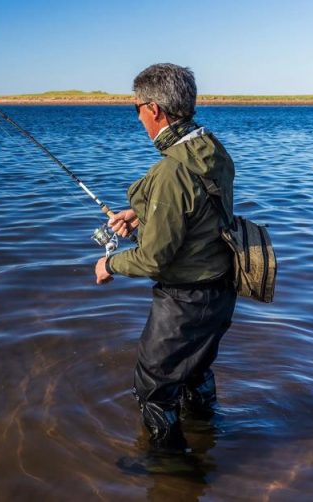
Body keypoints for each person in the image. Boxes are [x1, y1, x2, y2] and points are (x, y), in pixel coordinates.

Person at [94, 63, 238, 451]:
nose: (138, 116)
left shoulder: (169, 172)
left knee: (153, 389)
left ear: (154, 109)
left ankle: (172, 473)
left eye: (136, 107)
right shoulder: (211, 149)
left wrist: (109, 264)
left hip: (184, 303)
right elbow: (199, 203)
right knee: (195, 373)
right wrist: (141, 213)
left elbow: (154, 260)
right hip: (221, 293)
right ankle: (208, 440)